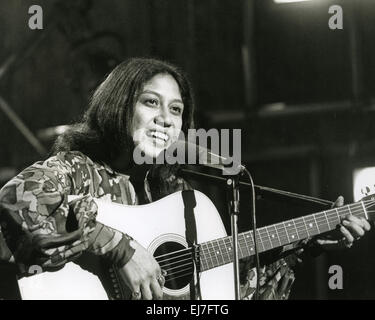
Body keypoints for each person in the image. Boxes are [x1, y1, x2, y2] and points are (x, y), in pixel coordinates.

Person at [0, 57, 371, 300]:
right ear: (118, 106)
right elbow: (17, 199)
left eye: (176, 110)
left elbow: (229, 296)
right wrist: (121, 249)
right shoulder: (78, 168)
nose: (166, 118)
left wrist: (307, 246)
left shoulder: (181, 197)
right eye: (151, 102)